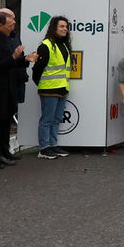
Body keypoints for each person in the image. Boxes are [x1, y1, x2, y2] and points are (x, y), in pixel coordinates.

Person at [0, 11, 34, 168]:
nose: (13, 25)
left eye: (14, 22)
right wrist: (14, 58)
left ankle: (2, 151)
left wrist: (24, 60)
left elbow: (12, 62)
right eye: (10, 23)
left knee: (4, 121)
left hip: (8, 86)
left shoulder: (9, 38)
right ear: (0, 25)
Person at [32, 15, 74, 159]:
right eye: (61, 26)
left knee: (56, 119)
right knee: (47, 120)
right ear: (54, 28)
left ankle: (53, 145)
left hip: (62, 88)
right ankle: (44, 148)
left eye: (66, 27)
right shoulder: (46, 45)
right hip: (49, 89)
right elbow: (37, 69)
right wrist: (41, 84)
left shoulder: (63, 45)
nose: (65, 29)